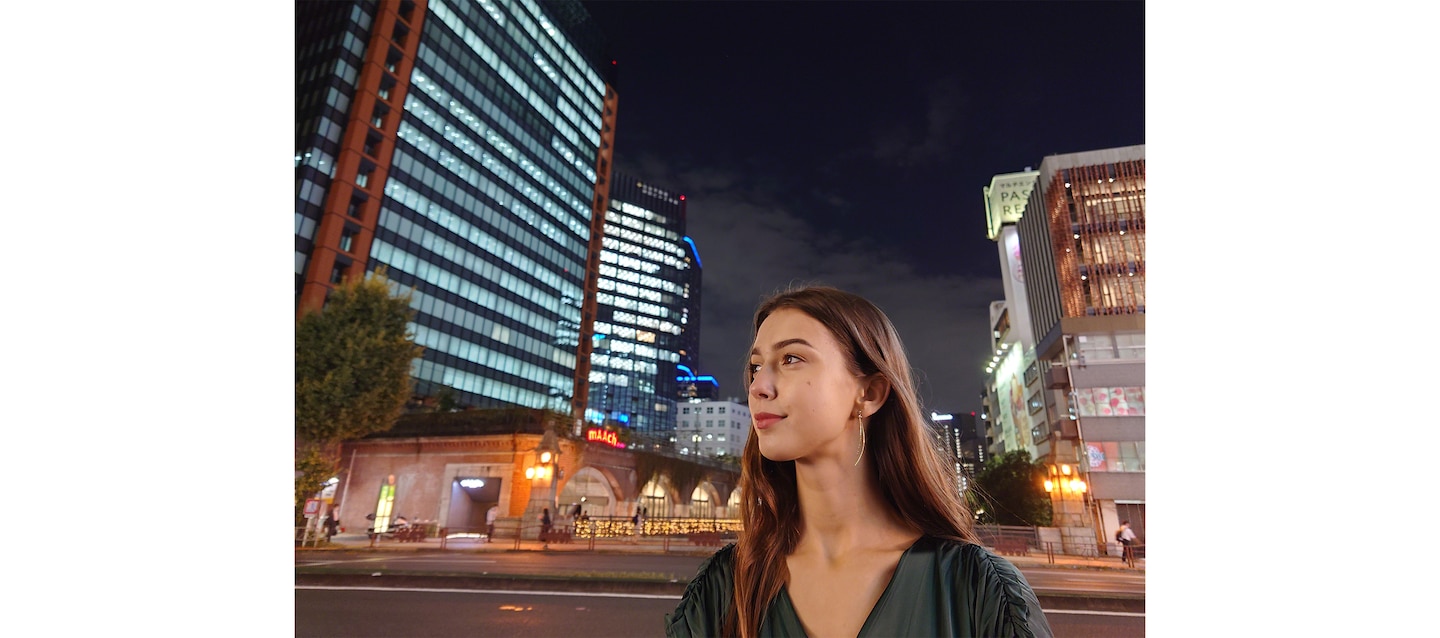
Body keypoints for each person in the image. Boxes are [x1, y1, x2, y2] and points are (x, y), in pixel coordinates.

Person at [665, 285, 1052, 638]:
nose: (757, 387)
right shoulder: (724, 589)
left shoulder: (976, 591)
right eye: (755, 366)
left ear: (868, 393)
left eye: (791, 358)